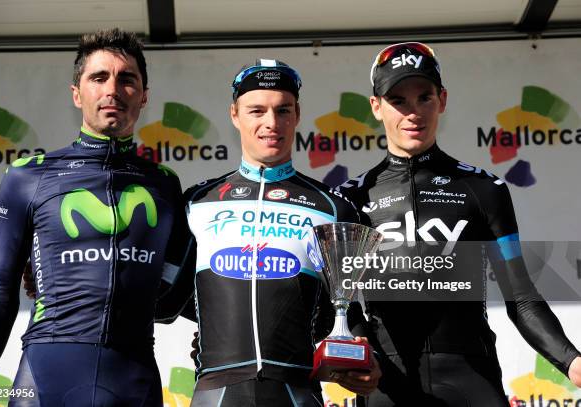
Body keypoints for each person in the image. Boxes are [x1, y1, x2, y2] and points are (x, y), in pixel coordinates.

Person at [338, 42, 581, 406]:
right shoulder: (349, 198)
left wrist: (570, 360)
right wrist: (360, 352)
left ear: (443, 100)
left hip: (472, 378)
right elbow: (340, 304)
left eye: (425, 97)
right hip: (386, 383)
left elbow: (521, 297)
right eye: (398, 101)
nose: (413, 113)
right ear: (376, 107)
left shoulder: (484, 189)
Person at [0, 28, 193, 406]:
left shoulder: (165, 185)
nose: (113, 89)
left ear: (144, 96)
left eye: (127, 79)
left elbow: (172, 299)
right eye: (98, 77)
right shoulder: (28, 175)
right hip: (42, 377)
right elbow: (0, 289)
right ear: (77, 93)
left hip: (135, 379)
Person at [160, 59, 381, 406]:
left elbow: (345, 307)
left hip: (295, 389)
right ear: (235, 114)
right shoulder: (197, 202)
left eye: (283, 110)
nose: (271, 123)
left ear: (297, 114)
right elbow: (168, 302)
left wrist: (360, 355)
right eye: (256, 110)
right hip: (217, 389)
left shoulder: (331, 208)